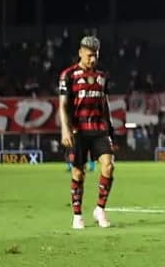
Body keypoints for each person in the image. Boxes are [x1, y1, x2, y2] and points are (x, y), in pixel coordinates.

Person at [59, 36, 116, 229]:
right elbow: (63, 105)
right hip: (78, 130)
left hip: (99, 128)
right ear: (80, 53)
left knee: (108, 166)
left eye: (96, 55)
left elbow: (105, 103)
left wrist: (110, 128)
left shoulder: (102, 76)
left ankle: (100, 209)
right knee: (78, 172)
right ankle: (77, 215)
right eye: (90, 55)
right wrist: (65, 129)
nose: (93, 59)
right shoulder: (68, 75)